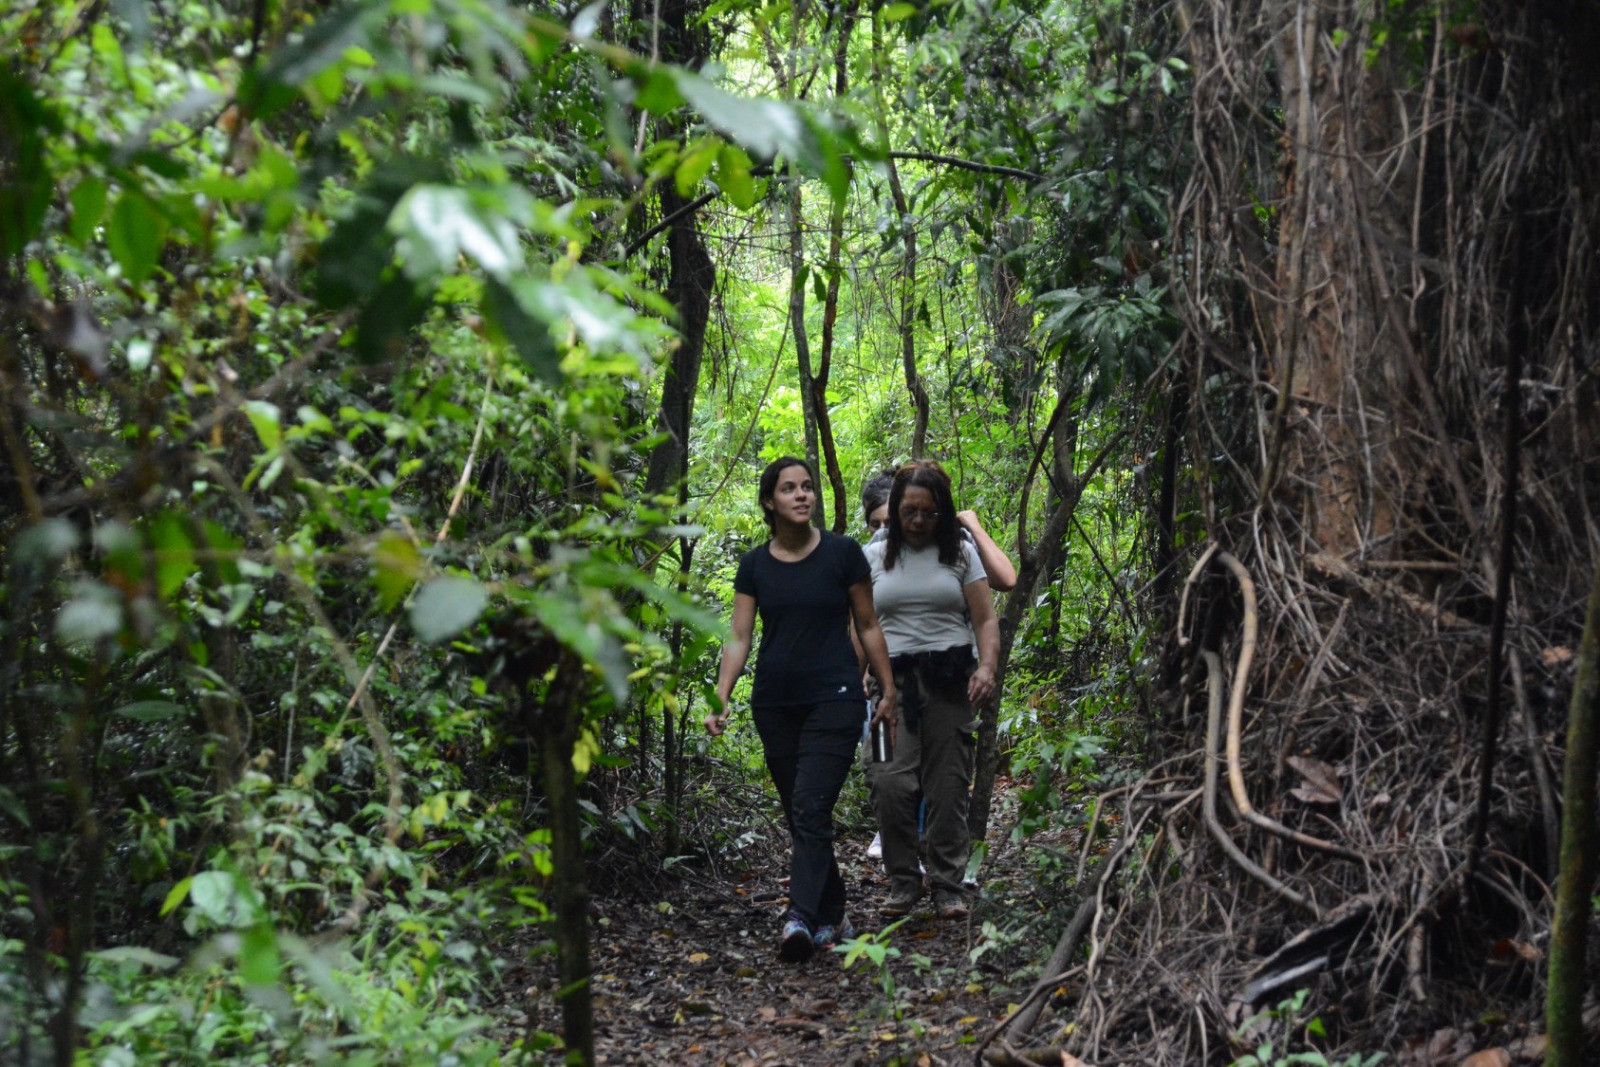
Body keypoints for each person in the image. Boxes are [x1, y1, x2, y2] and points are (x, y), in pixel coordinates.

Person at [704, 456, 899, 962]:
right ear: (770, 501)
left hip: (834, 700)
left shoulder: (842, 554)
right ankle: (833, 912)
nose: (802, 495)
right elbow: (740, 636)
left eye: (807, 487)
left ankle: (799, 916)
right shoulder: (754, 564)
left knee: (811, 807)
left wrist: (888, 688)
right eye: (789, 488)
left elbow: (869, 625)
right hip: (775, 703)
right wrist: (720, 697)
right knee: (802, 815)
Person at [865, 460, 1000, 919]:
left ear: (942, 512)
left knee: (947, 787)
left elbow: (984, 617)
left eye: (928, 512)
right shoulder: (874, 555)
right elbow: (861, 626)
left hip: (950, 684)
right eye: (909, 511)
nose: (919, 521)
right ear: (897, 510)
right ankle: (903, 883)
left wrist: (986, 668)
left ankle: (947, 884)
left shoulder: (959, 552)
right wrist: (859, 676)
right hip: (889, 689)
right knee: (887, 782)